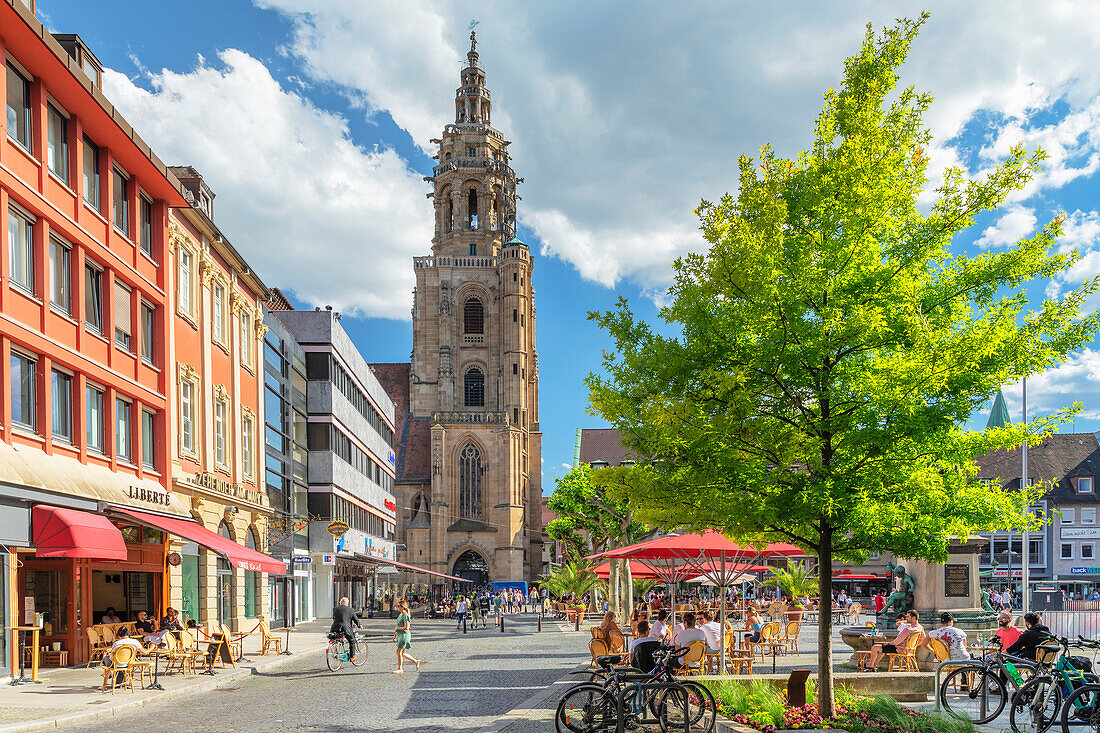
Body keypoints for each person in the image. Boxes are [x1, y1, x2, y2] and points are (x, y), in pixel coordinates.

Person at [98, 627, 153, 691]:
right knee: (110, 660)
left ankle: (104, 683)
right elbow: (145, 652)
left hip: (117, 664)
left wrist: (110, 655)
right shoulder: (135, 642)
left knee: (105, 658)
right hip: (128, 664)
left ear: (119, 634)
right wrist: (152, 647)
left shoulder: (117, 643)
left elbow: (112, 658)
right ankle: (116, 679)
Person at [392, 600, 423, 673]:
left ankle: (400, 668)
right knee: (402, 653)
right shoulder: (400, 615)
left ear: (403, 607)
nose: (397, 607)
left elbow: (406, 627)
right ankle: (416, 661)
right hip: (400, 635)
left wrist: (397, 629)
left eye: (398, 606)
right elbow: (398, 626)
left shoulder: (405, 615)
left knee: (398, 651)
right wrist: (395, 635)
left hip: (404, 635)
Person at [330, 596, 361, 662]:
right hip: (345, 628)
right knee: (352, 640)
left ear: (340, 603)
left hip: (335, 627)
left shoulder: (335, 609)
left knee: (333, 639)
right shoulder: (350, 610)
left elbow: (334, 618)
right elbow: (355, 619)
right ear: (347, 603)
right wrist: (359, 625)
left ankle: (336, 652)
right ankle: (352, 657)